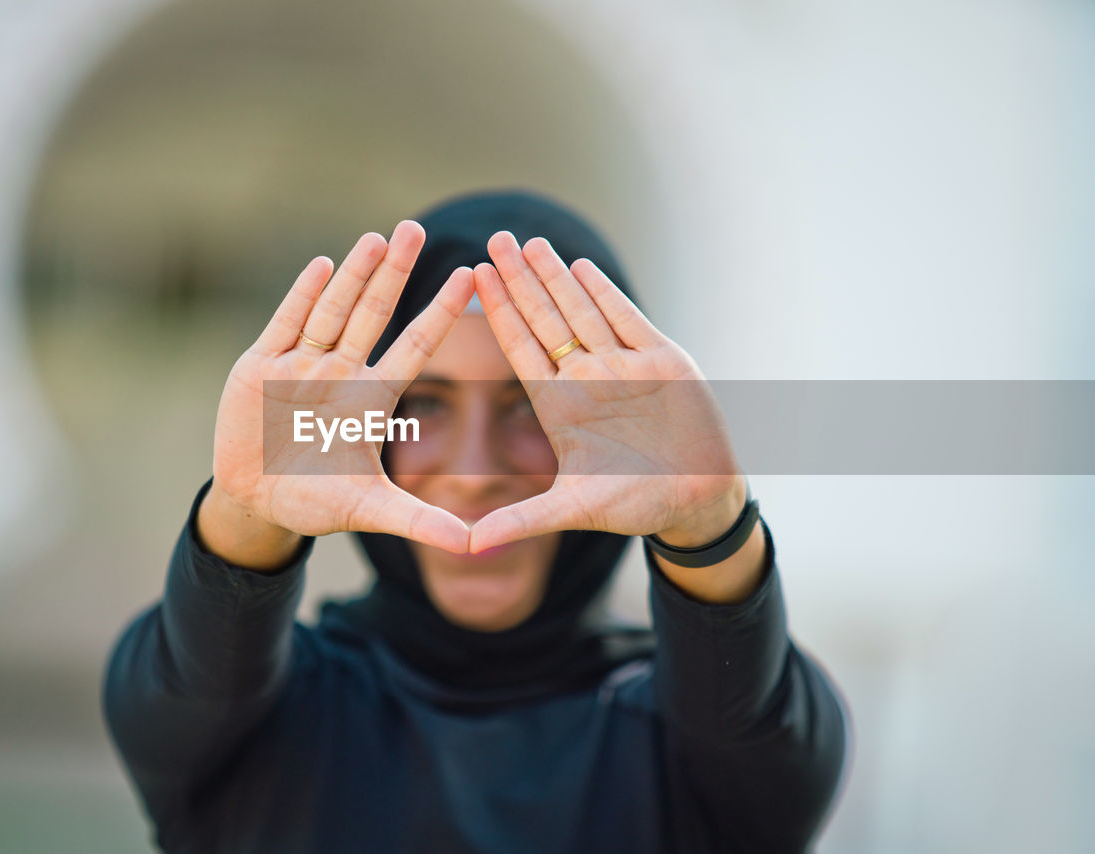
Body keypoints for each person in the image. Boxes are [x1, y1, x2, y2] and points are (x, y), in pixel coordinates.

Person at [103, 191, 848, 853]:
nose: (474, 469)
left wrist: (706, 520)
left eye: (532, 406)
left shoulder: (694, 749)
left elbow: (759, 726)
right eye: (424, 404)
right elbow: (183, 684)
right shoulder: (258, 720)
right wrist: (248, 510)